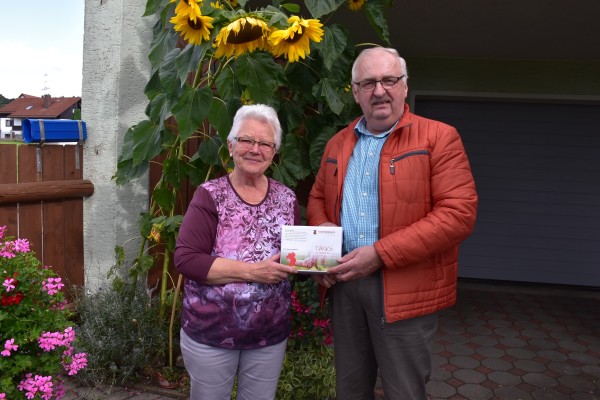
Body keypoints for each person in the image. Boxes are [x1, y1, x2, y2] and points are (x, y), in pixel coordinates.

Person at [306, 47, 478, 400]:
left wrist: (381, 254)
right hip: (345, 283)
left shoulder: (438, 138)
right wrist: (324, 250)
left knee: (404, 391)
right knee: (350, 389)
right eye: (368, 83)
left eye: (389, 80)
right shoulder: (338, 143)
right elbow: (317, 200)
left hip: (404, 288)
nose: (379, 90)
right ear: (354, 92)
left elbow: (458, 214)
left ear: (404, 85)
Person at [174, 104, 300, 400]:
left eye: (265, 143)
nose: (255, 149)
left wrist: (320, 264)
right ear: (231, 146)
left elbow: (296, 258)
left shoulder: (287, 198)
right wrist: (254, 272)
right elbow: (187, 259)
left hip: (268, 336)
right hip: (212, 333)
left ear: (274, 151)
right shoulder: (210, 195)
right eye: (246, 140)